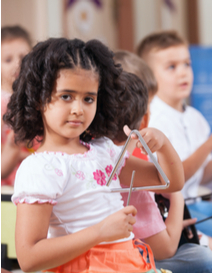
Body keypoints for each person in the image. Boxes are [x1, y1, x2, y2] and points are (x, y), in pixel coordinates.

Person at [3, 38, 184, 273]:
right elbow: (29, 258)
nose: (78, 109)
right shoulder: (39, 168)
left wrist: (164, 144)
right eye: (66, 96)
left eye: (88, 98)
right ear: (38, 99)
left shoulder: (104, 150)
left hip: (129, 261)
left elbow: (171, 182)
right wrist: (100, 232)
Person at [137, 30, 212, 259]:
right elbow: (175, 178)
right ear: (150, 77)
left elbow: (200, 176)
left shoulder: (195, 117)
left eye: (186, 64)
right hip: (174, 208)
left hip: (196, 201)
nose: (182, 72)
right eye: (171, 67)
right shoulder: (153, 119)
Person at [108, 64, 212, 272]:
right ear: (146, 119)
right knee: (202, 257)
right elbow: (165, 248)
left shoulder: (89, 156)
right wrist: (178, 197)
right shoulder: (127, 168)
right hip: (129, 261)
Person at [1, 25, 32, 185]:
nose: (17, 64)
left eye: (23, 57)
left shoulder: (36, 100)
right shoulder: (2, 103)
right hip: (8, 183)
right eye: (8, 59)